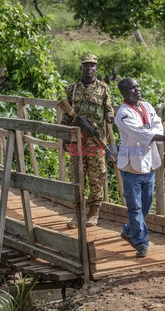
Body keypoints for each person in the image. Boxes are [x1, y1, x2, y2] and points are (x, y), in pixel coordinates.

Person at [115, 78, 165, 257]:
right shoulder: (122, 114)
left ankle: (129, 230)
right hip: (131, 167)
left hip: (149, 164)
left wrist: (155, 134)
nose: (137, 90)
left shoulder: (146, 106)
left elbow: (156, 124)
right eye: (132, 88)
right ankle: (141, 243)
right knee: (135, 208)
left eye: (137, 86)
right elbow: (139, 133)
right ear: (123, 93)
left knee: (145, 205)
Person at [61, 54, 115, 229]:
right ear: (81, 68)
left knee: (97, 174)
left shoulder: (104, 89)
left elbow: (109, 111)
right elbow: (66, 114)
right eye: (86, 65)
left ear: (96, 68)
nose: (89, 68)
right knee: (75, 175)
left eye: (92, 66)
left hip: (95, 139)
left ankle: (94, 212)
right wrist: (64, 136)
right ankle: (78, 213)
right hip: (77, 138)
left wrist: (112, 118)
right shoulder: (72, 89)